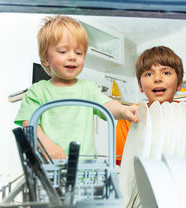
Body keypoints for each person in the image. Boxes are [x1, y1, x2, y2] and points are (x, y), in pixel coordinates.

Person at [15, 15, 137, 160]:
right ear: (46, 60)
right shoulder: (37, 91)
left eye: (78, 52)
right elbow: (29, 123)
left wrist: (123, 111)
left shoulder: (89, 88)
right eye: (63, 51)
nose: (72, 57)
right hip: (51, 168)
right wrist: (48, 146)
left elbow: (107, 105)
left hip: (86, 169)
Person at [116, 46, 186, 165]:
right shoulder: (130, 116)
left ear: (179, 83)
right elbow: (125, 165)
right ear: (140, 85)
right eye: (148, 74)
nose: (157, 79)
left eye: (166, 72)